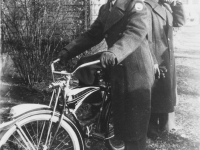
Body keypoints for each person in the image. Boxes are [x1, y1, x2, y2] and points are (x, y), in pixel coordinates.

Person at [58, 0, 155, 149]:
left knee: (134, 129)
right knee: (84, 66)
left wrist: (113, 52)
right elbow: (92, 35)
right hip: (116, 63)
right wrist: (68, 51)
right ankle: (94, 106)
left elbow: (135, 33)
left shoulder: (134, 4)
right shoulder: (106, 8)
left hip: (136, 70)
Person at [144, 0, 186, 138]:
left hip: (167, 58)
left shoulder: (165, 6)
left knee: (165, 92)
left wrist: (176, 3)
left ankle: (164, 126)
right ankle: (152, 130)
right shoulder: (146, 7)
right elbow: (145, 38)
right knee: (154, 94)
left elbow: (179, 22)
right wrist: (153, 60)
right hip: (155, 57)